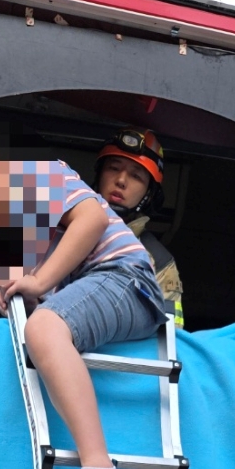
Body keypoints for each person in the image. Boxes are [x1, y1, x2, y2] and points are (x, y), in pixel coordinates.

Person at [0, 149, 166, 469]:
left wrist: (36, 286)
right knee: (41, 325)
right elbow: (61, 293)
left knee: (44, 329)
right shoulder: (36, 231)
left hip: (125, 279)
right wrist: (27, 295)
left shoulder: (38, 174)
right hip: (115, 287)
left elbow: (93, 218)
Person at [94, 127, 184, 328]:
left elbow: (170, 338)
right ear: (99, 173)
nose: (121, 180)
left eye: (136, 176)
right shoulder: (57, 227)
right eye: (114, 168)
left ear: (149, 193)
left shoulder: (160, 264)